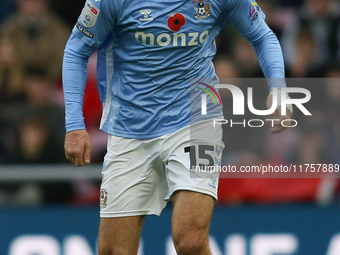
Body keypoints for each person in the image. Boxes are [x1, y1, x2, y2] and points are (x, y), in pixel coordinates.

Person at [62, 0, 292, 254]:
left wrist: (278, 87)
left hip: (197, 120)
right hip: (130, 127)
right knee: (114, 250)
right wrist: (74, 124)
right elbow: (77, 50)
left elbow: (262, 35)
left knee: (191, 240)